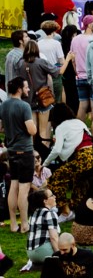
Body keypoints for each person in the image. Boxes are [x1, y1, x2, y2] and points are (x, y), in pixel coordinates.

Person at [4, 75, 38, 234]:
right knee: (24, 189)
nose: (28, 89)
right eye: (26, 87)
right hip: (25, 151)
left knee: (14, 186)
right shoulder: (24, 106)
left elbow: (1, 127)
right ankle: (24, 224)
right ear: (19, 89)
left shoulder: (3, 105)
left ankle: (13, 223)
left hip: (11, 151)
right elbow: (32, 130)